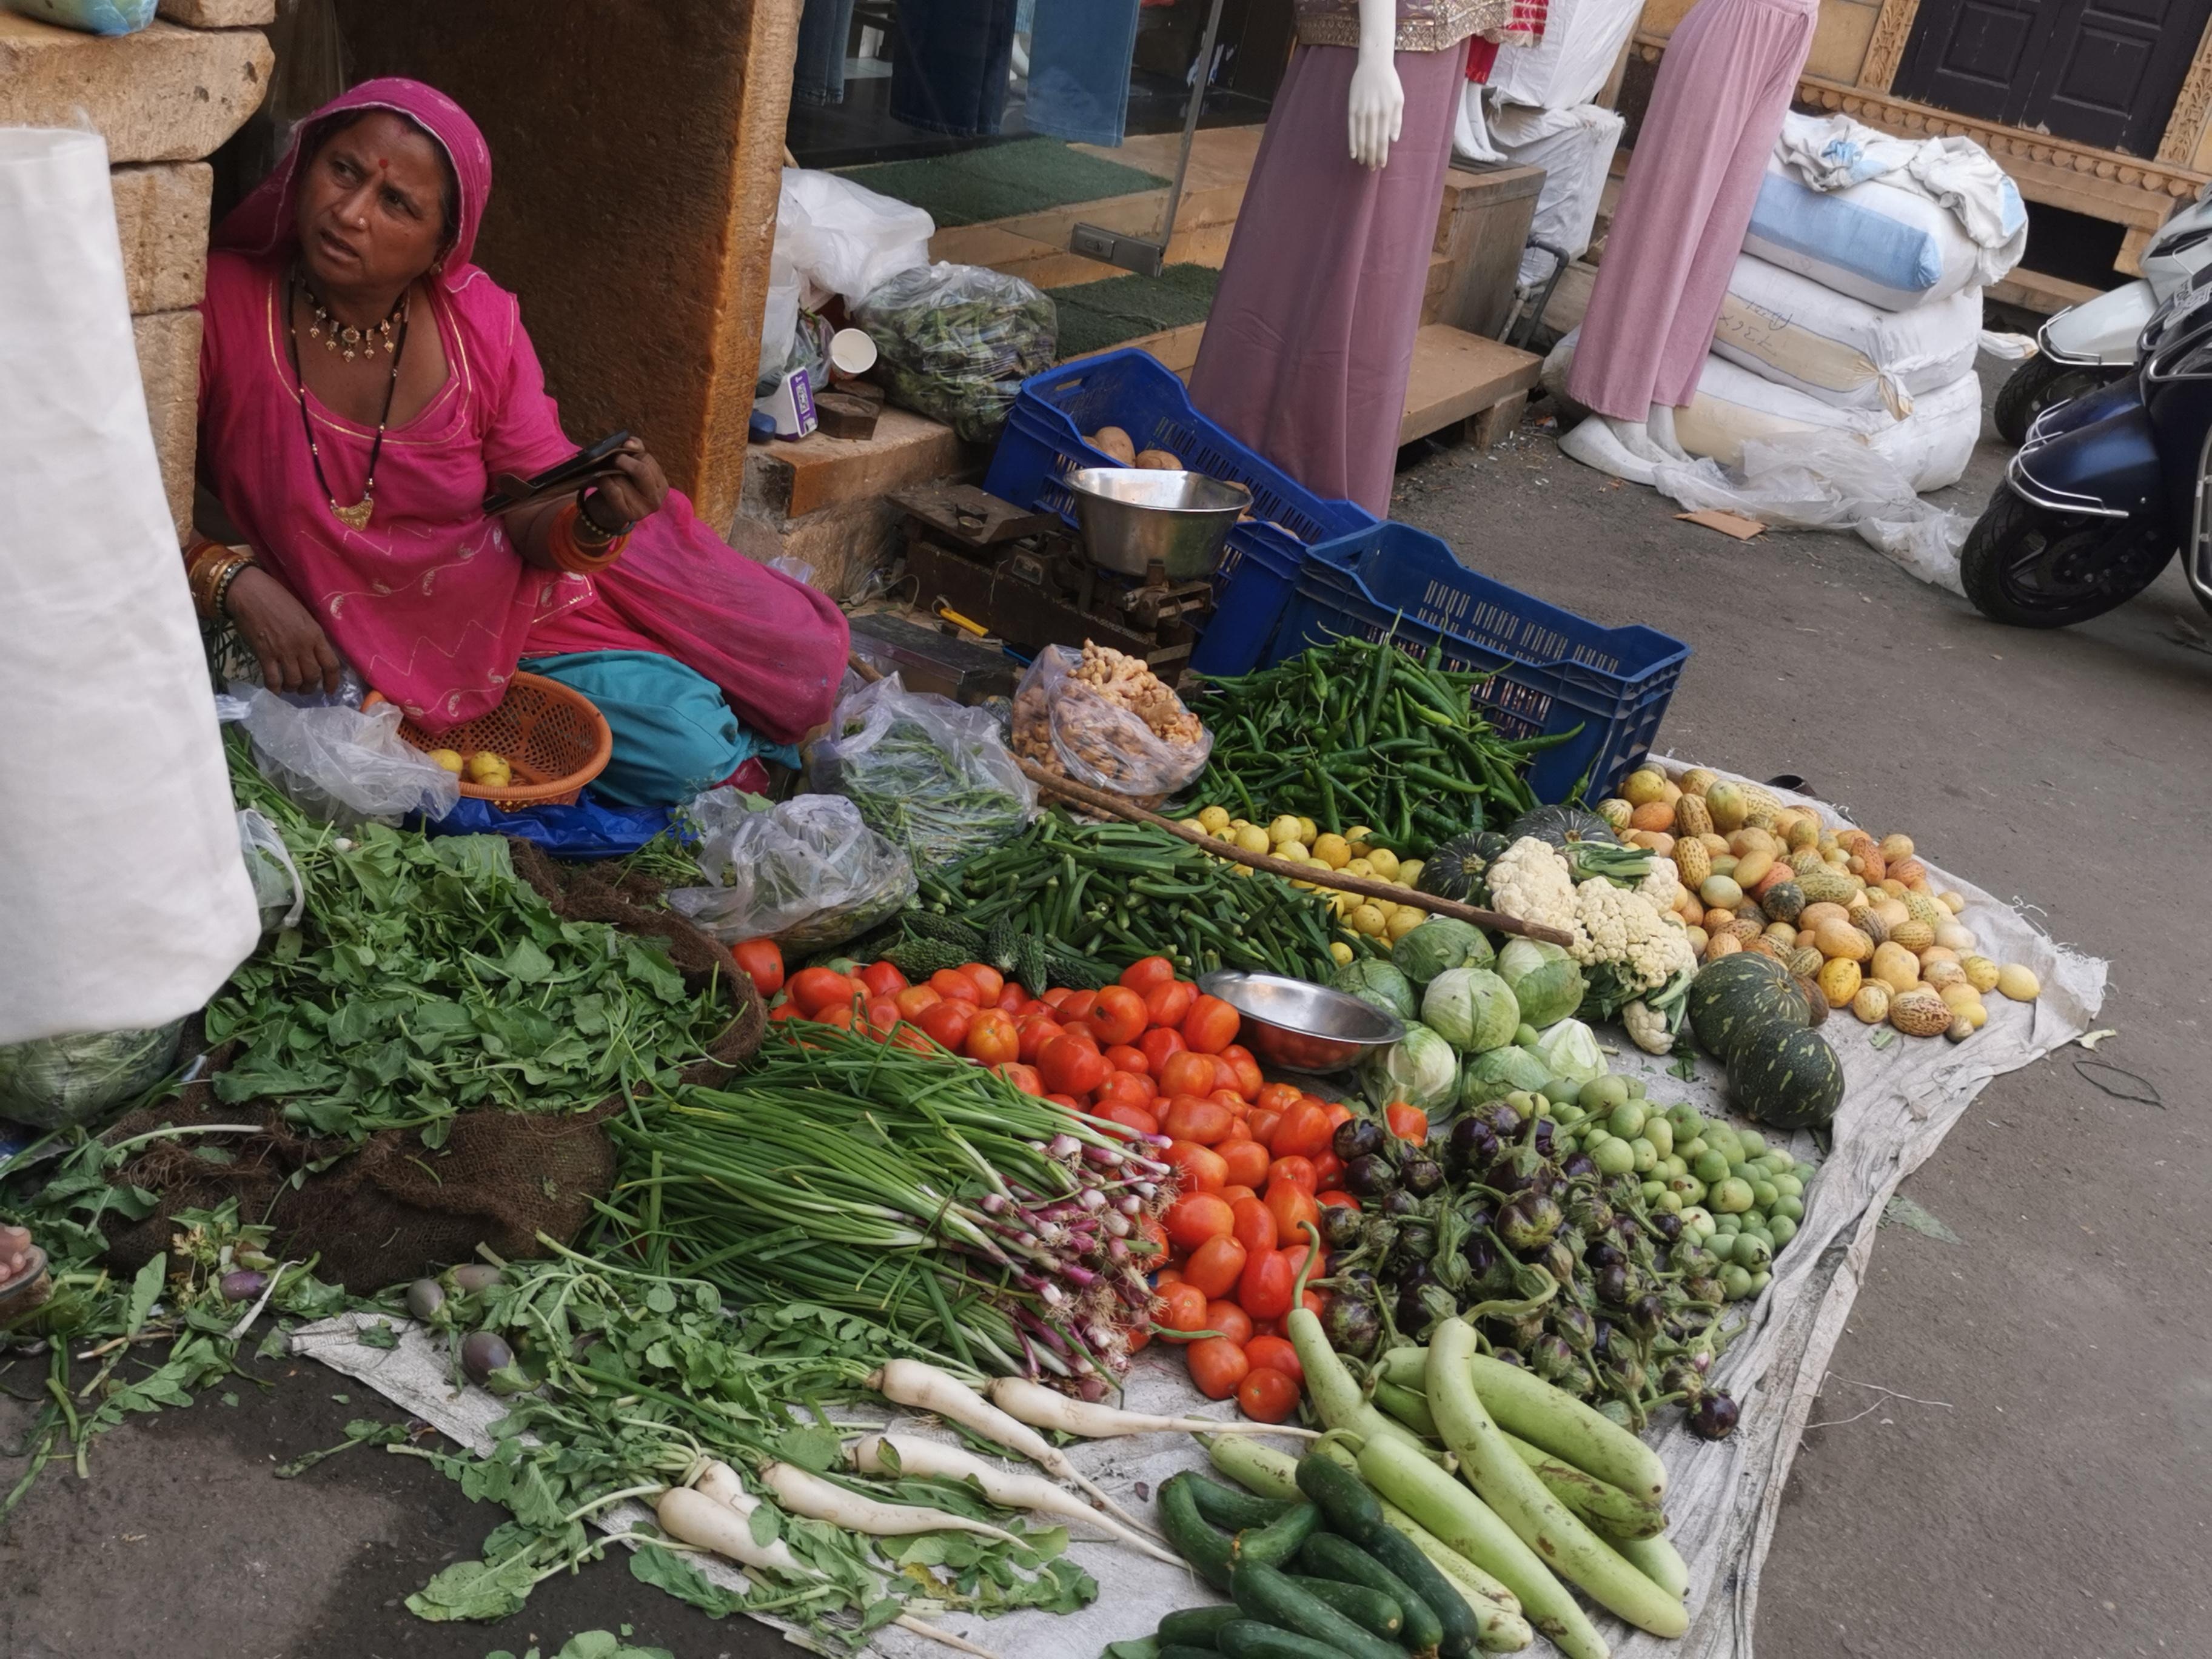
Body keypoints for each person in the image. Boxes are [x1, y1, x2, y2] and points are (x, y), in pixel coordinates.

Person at [186, 78, 849, 806]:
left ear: (442, 246)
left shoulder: (481, 327)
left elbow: (535, 519)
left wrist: (599, 520)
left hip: (511, 603)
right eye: (342, 170)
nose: (349, 213)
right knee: (688, 744)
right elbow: (127, 483)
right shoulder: (222, 304)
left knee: (798, 649)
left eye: (396, 203)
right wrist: (231, 578)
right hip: (349, 632)